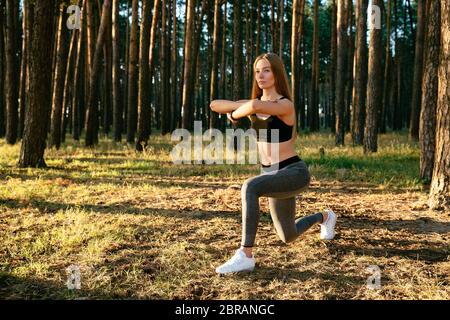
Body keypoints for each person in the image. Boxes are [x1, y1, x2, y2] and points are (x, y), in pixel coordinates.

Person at [209, 52, 337, 274]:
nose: (261, 75)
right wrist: (238, 109)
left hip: (293, 172)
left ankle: (245, 255)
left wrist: (236, 113)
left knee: (250, 186)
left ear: (277, 73)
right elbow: (215, 105)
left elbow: (256, 107)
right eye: (257, 71)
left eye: (266, 70)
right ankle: (325, 216)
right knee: (288, 236)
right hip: (271, 174)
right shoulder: (253, 104)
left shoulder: (284, 105)